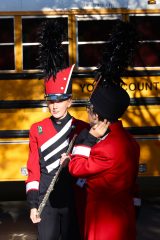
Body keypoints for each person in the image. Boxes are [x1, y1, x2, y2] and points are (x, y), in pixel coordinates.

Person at [61, 20, 141, 240]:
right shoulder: (129, 141)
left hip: (104, 220)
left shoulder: (106, 147)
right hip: (123, 216)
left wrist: (87, 139)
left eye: (89, 108)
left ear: (97, 115)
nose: (87, 112)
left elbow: (77, 169)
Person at [25, 20, 89, 240]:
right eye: (50, 100)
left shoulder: (81, 128)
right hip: (47, 200)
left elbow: (89, 168)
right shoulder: (37, 128)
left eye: (60, 100)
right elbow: (33, 170)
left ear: (69, 101)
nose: (54, 105)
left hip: (75, 199)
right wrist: (33, 204)